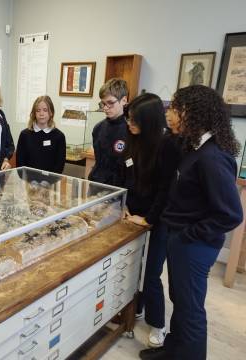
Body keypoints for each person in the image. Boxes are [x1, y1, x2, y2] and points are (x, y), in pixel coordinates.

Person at [139, 85, 243, 360]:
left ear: (192, 113)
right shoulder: (195, 147)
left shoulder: (212, 157)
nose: (169, 114)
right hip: (182, 238)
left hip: (193, 244)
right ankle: (173, 350)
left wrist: (189, 234)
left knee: (191, 309)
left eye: (175, 108)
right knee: (181, 301)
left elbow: (231, 214)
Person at [120, 93, 181, 348]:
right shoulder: (132, 139)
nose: (129, 124)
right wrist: (124, 206)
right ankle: (137, 307)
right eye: (128, 119)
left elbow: (166, 190)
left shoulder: (167, 145)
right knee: (134, 266)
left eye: (134, 120)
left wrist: (148, 219)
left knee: (151, 274)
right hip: (132, 214)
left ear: (148, 120)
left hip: (157, 218)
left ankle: (158, 324)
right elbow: (128, 175)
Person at [88, 78, 128, 186]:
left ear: (123, 100)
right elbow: (99, 160)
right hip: (96, 183)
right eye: (103, 104)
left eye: (110, 103)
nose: (105, 108)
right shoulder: (98, 128)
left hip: (118, 187)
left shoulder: (130, 130)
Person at [16, 95, 66, 173]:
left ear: (51, 113)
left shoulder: (59, 136)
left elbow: (59, 165)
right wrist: (27, 182)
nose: (41, 113)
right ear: (34, 113)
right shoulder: (24, 135)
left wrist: (49, 182)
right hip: (28, 182)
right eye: (38, 110)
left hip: (50, 183)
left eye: (45, 110)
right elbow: (20, 163)